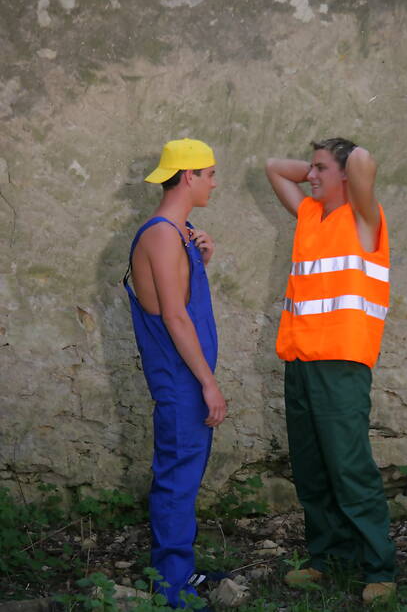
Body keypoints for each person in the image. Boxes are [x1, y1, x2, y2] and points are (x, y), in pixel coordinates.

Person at [265, 138, 396, 605]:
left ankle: (379, 568)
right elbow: (273, 166)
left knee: (348, 468)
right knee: (312, 469)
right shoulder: (309, 214)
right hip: (300, 360)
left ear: (345, 175)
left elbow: (362, 159)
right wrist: (318, 169)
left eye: (321, 169)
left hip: (341, 364)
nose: (311, 176)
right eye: (311, 168)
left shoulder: (364, 219)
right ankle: (328, 559)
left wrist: (341, 162)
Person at [124, 138, 227, 609]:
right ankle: (170, 587)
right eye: (209, 173)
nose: (213, 183)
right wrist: (208, 383)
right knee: (177, 476)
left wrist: (201, 261)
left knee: (185, 473)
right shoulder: (162, 234)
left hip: (187, 373)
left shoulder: (180, 233)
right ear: (188, 176)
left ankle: (180, 572)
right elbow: (174, 317)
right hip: (180, 376)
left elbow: (183, 300)